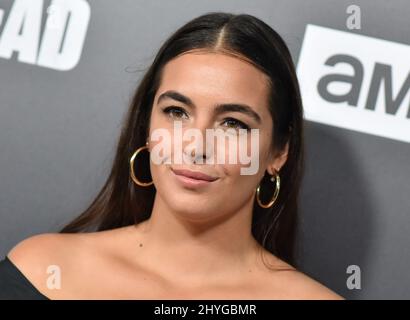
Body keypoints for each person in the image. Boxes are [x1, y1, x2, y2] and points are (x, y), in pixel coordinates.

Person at [0, 12, 344, 300]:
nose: (196, 147)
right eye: (177, 112)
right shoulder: (44, 271)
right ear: (147, 126)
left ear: (279, 151)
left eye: (233, 123)